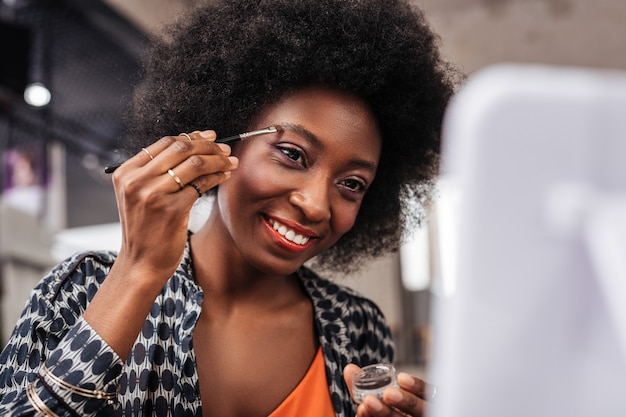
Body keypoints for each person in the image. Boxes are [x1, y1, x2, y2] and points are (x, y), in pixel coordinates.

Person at [0, 0, 460, 415]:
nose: (317, 204)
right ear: (220, 143)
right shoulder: (82, 290)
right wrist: (138, 271)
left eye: (353, 183)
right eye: (293, 154)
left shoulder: (355, 325)